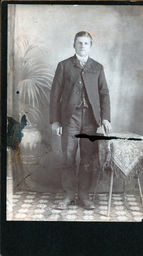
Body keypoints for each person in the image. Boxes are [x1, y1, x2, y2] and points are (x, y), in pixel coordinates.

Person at [50, 31, 111, 210]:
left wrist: (106, 118)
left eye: (86, 43)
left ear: (90, 46)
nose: (82, 46)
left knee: (87, 159)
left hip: (91, 120)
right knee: (68, 157)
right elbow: (55, 95)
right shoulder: (64, 66)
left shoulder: (97, 67)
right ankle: (69, 195)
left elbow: (104, 94)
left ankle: (83, 196)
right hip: (70, 118)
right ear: (74, 45)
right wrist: (55, 121)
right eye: (79, 43)